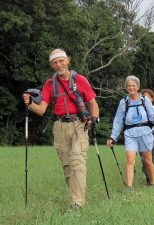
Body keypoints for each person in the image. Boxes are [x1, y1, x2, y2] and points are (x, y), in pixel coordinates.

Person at [23, 49, 99, 209]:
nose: (59, 65)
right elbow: (42, 109)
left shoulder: (80, 79)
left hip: (79, 123)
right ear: (51, 65)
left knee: (77, 160)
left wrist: (94, 118)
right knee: (67, 165)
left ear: (68, 61)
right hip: (59, 126)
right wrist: (30, 103)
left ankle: (77, 203)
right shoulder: (50, 84)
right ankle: (75, 198)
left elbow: (92, 102)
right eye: (55, 62)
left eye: (61, 61)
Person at [106, 76, 154, 190]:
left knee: (147, 161)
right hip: (130, 134)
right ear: (126, 87)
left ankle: (152, 183)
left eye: (133, 85)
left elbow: (151, 115)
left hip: (145, 133)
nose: (131, 88)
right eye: (129, 86)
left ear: (138, 87)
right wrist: (113, 137)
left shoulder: (146, 100)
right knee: (130, 159)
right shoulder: (123, 102)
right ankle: (129, 187)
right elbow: (118, 120)